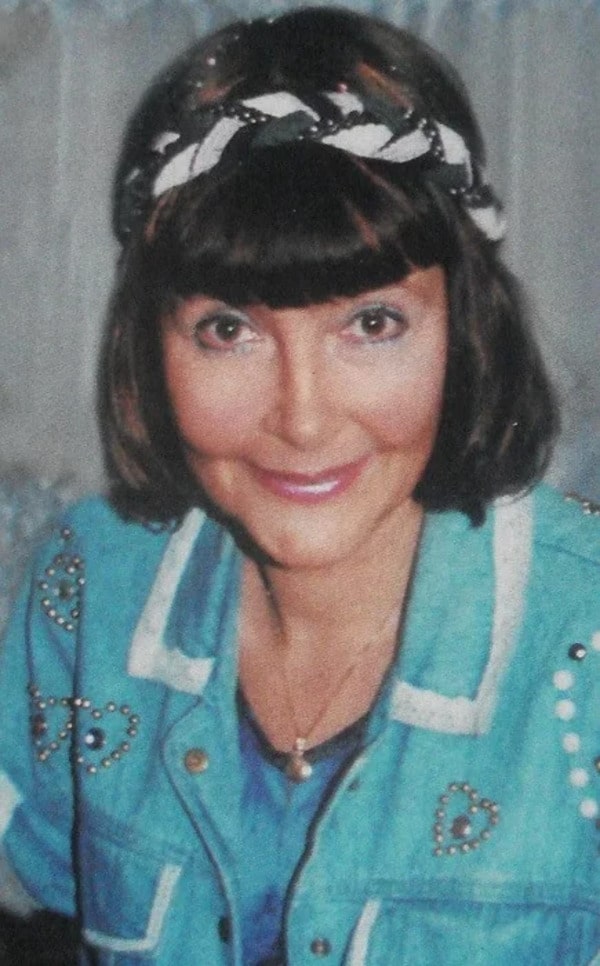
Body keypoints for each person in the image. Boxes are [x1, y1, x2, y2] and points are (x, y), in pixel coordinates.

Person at [1, 7, 599, 964]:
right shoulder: (88, 591)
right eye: (228, 330)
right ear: (148, 343)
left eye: (372, 323)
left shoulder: (586, 652)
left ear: (466, 326)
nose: (304, 419)